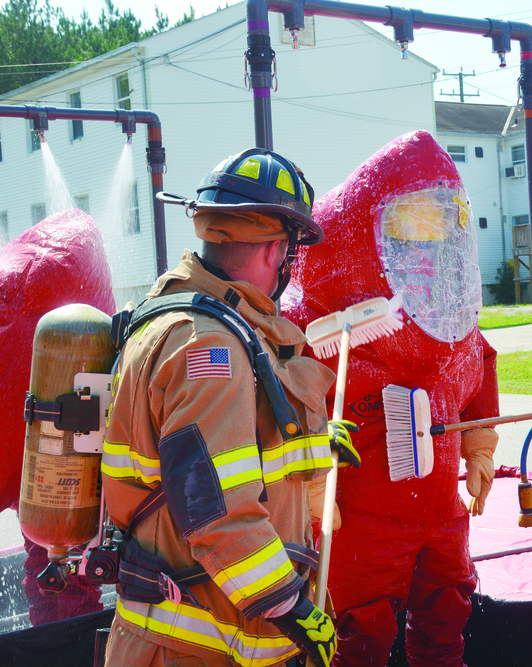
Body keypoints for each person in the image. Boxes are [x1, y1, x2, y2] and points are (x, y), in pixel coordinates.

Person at [101, 148, 359, 667]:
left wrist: (309, 439)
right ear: (275, 251)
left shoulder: (188, 322)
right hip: (196, 648)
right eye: (292, 251)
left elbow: (212, 451)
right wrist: (291, 606)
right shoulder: (209, 347)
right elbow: (218, 512)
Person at [284, 130, 499, 666]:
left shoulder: (454, 329)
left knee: (447, 610)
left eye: (445, 222)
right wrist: (311, 485)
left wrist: (479, 449)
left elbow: (479, 376)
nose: (432, 239)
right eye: (414, 224)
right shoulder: (313, 324)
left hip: (440, 512)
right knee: (359, 629)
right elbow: (281, 403)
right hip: (359, 518)